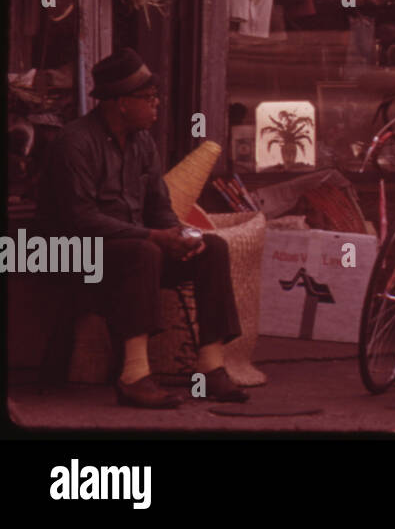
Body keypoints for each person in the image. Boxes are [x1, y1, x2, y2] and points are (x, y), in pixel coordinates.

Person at [35, 48, 247, 408]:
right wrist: (153, 236)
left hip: (132, 251)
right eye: (147, 98)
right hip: (75, 254)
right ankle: (134, 375)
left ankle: (210, 369)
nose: (156, 105)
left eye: (155, 97)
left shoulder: (142, 142)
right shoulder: (75, 142)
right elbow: (80, 219)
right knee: (143, 250)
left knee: (212, 248)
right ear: (119, 103)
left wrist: (179, 236)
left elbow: (159, 208)